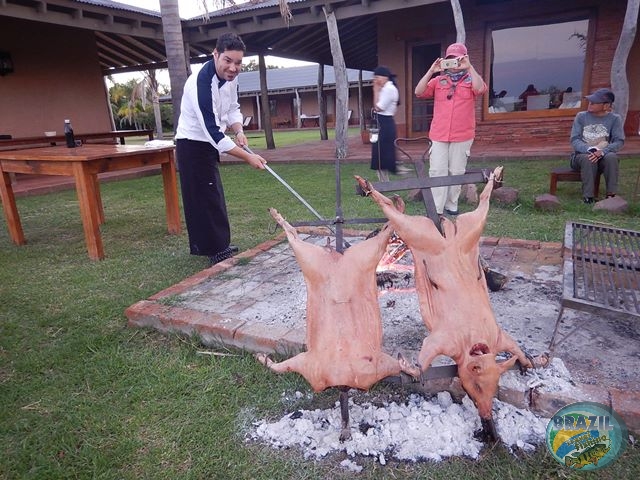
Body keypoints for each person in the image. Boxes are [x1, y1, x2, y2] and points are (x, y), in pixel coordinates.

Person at [175, 32, 267, 265]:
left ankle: (219, 245)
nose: (233, 67)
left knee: (212, 194)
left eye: (238, 63)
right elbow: (215, 134)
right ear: (215, 54)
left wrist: (239, 131)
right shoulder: (200, 84)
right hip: (192, 144)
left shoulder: (231, 78)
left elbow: (232, 109)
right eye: (228, 60)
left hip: (207, 143)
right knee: (203, 197)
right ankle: (213, 250)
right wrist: (248, 157)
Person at [414, 42, 487, 216]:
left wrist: (470, 67)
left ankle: (451, 204)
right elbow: (419, 91)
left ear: (464, 58)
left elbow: (480, 89)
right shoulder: (439, 80)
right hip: (439, 133)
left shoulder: (471, 80)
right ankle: (437, 208)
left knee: (456, 171)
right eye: (450, 59)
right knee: (437, 170)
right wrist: (432, 70)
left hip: (463, 134)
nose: (454, 63)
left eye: (457, 59)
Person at [569, 88, 625, 204]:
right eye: (590, 101)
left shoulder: (615, 119)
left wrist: (603, 151)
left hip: (603, 155)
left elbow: (619, 141)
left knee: (611, 157)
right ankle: (588, 197)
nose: (590, 104)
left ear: (606, 106)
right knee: (588, 158)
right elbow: (575, 139)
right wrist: (589, 149)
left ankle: (611, 195)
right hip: (581, 156)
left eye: (594, 102)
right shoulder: (581, 116)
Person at [370, 65, 401, 181]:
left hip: (384, 123)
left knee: (382, 154)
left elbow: (378, 107)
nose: (376, 80)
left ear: (385, 77)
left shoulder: (389, 89)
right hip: (381, 122)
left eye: (377, 77)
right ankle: (383, 181)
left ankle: (385, 183)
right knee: (379, 153)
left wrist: (375, 90)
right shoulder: (386, 88)